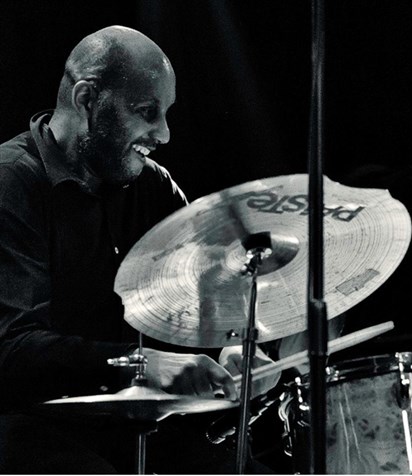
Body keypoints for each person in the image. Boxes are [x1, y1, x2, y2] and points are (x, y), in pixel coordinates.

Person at [0, 25, 279, 473]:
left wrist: (228, 351)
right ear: (87, 100)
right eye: (147, 112)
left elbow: (204, 297)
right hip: (31, 428)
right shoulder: (12, 182)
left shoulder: (153, 186)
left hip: (135, 431)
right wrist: (137, 365)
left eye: (165, 113)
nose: (164, 134)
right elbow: (11, 350)